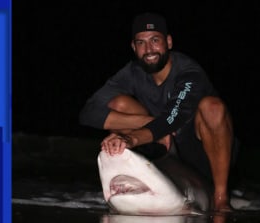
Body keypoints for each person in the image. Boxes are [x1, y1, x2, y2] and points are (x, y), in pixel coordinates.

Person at [79, 12, 235, 211]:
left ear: (168, 42)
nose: (148, 49)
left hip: (200, 153)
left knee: (212, 107)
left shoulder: (189, 72)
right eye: (141, 43)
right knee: (118, 103)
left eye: (155, 40)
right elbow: (88, 112)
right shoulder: (132, 73)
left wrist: (131, 139)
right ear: (133, 47)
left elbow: (173, 118)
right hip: (163, 147)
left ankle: (221, 196)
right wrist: (150, 122)